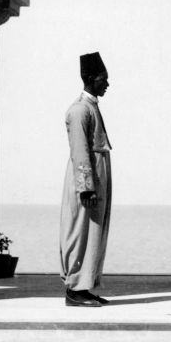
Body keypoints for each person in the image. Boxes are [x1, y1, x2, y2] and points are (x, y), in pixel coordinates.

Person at [59, 52, 112, 307]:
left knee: (93, 231)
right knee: (80, 231)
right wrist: (86, 188)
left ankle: (85, 285)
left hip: (95, 176)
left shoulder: (90, 107)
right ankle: (75, 288)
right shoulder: (80, 110)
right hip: (87, 179)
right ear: (91, 79)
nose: (107, 84)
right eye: (104, 79)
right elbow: (80, 150)